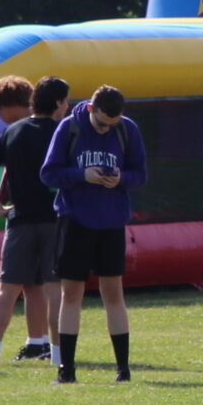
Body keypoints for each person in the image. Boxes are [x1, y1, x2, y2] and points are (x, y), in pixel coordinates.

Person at [40, 84, 145, 383]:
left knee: (113, 293)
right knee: (71, 293)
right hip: (75, 221)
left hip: (112, 222)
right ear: (90, 109)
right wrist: (81, 175)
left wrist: (121, 178)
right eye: (101, 123)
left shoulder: (127, 130)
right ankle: (66, 370)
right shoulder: (69, 128)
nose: (105, 130)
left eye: (112, 125)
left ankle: (123, 369)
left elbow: (141, 174)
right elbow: (48, 173)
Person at [0, 73, 68, 365]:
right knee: (54, 290)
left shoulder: (14, 132)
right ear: (57, 103)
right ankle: (57, 355)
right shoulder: (62, 131)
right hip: (54, 219)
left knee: (7, 289)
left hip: (20, 219)